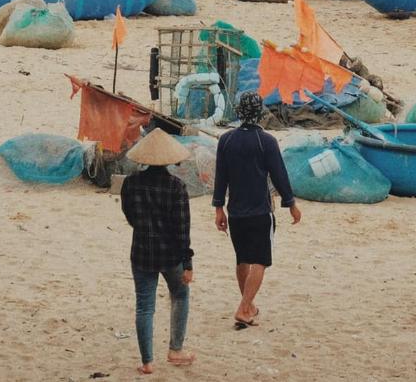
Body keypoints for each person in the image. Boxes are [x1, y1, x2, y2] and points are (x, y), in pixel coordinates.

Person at [213, 92, 301, 329]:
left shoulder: (226, 140)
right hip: (261, 212)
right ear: (261, 113)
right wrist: (290, 203)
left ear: (239, 112)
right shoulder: (267, 142)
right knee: (260, 261)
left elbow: (221, 177)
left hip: (236, 213)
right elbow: (280, 176)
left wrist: (218, 208)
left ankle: (248, 305)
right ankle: (244, 308)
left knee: (243, 260)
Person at [121, 130, 197, 374]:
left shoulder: (130, 183)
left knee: (145, 306)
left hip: (142, 252)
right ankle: (176, 349)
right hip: (171, 255)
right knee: (181, 295)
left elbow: (130, 216)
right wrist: (187, 263)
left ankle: (147, 362)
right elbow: (182, 228)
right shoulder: (177, 187)